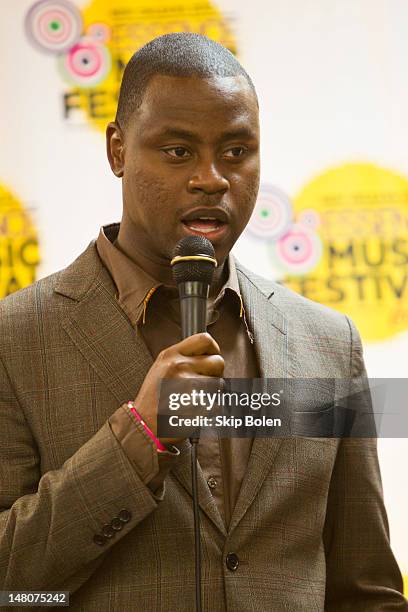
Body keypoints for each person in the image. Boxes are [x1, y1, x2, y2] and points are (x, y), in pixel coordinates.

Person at [0, 32, 406, 612]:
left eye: (237, 152)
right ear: (117, 150)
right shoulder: (16, 340)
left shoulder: (328, 344)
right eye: (178, 151)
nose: (212, 178)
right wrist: (138, 440)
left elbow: (365, 591)